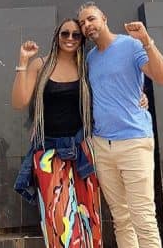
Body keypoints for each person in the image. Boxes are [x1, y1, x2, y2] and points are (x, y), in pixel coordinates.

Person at [77, 2, 163, 248]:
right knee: (121, 218)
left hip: (133, 142)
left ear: (104, 18)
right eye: (82, 23)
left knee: (143, 217)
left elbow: (162, 77)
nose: (87, 26)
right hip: (102, 145)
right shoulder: (90, 58)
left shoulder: (131, 45)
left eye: (91, 19)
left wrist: (147, 41)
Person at [11, 19, 102, 248]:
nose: (70, 38)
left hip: (81, 151)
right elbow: (20, 102)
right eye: (65, 34)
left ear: (82, 39)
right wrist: (23, 61)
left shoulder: (86, 67)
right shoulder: (40, 65)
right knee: (59, 222)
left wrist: (140, 99)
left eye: (76, 35)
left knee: (89, 217)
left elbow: (110, 91)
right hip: (49, 153)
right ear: (57, 35)